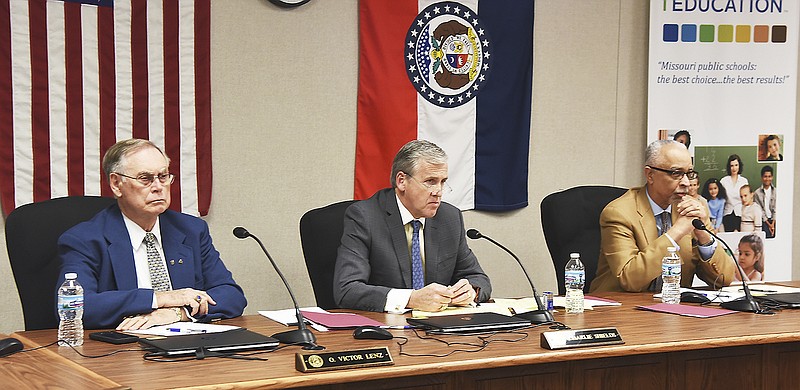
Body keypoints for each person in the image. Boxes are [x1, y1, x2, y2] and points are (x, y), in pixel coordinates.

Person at [57, 139, 247, 330]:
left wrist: (177, 313)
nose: (158, 187)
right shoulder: (85, 239)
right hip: (123, 349)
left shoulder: (191, 230)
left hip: (188, 343)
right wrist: (160, 298)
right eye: (145, 178)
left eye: (163, 176)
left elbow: (232, 296)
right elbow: (74, 307)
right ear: (116, 184)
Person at [333, 140, 491, 312]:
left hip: (439, 329)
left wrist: (471, 291)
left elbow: (478, 278)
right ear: (402, 181)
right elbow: (347, 290)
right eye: (430, 181)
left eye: (442, 181)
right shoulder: (365, 217)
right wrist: (411, 299)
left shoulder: (449, 218)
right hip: (386, 329)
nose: (438, 191)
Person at [590, 140, 735, 293]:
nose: (686, 182)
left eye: (689, 173)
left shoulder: (693, 209)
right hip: (619, 309)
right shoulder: (618, 213)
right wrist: (676, 232)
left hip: (673, 308)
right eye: (676, 173)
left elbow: (724, 279)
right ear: (650, 175)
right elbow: (630, 279)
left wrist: (703, 236)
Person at [720, 154, 748, 232]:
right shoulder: (724, 181)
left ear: (739, 166)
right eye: (732, 165)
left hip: (740, 213)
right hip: (727, 213)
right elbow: (721, 198)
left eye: (736, 165)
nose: (734, 168)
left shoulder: (744, 181)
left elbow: (746, 199)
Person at [753, 165, 776, 238]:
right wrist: (769, 225)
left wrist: (773, 223)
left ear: (772, 177)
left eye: (769, 176)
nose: (767, 179)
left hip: (774, 220)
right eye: (765, 176)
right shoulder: (757, 193)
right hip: (763, 221)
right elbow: (760, 210)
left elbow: (776, 208)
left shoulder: (776, 191)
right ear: (762, 178)